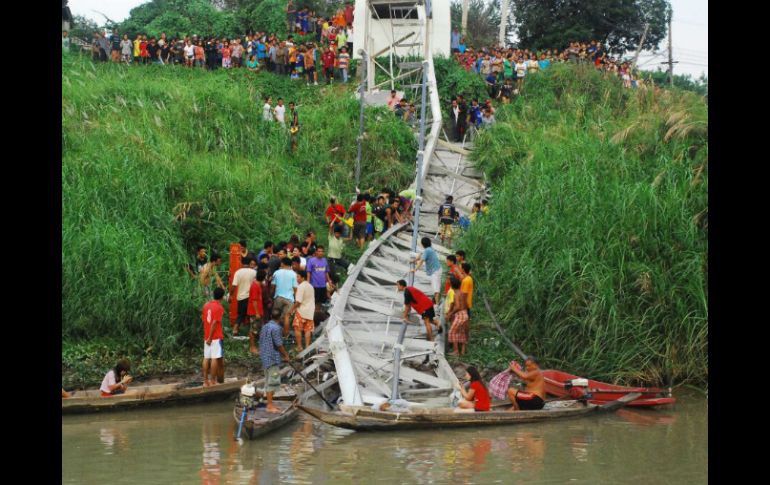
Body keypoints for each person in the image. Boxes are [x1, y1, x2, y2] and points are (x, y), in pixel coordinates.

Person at [259, 308, 291, 413]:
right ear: (280, 317)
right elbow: (279, 344)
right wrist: (286, 356)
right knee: (272, 382)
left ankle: (270, 403)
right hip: (272, 358)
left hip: (265, 357)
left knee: (269, 380)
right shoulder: (276, 328)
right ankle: (269, 405)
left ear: (271, 317)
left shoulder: (265, 327)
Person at [201, 287, 226, 386]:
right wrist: (211, 338)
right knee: (215, 357)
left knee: (206, 357)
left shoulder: (206, 305)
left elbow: (204, 320)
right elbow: (215, 323)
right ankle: (212, 381)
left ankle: (205, 381)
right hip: (214, 337)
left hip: (206, 336)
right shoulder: (219, 307)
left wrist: (207, 336)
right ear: (222, 297)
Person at [290, 270, 316, 352]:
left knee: (297, 328)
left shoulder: (301, 286)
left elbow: (298, 301)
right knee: (308, 330)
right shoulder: (310, 286)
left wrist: (291, 310)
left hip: (301, 311)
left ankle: (299, 347)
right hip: (310, 311)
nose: (297, 279)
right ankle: (307, 347)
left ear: (303, 277)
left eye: (298, 277)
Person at [231, 257, 257, 336]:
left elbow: (234, 286)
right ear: (250, 263)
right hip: (251, 297)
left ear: (242, 263)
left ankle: (235, 330)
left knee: (240, 315)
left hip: (241, 297)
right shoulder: (254, 272)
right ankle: (253, 332)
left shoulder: (238, 272)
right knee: (252, 315)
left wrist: (231, 295)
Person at [272, 257, 298, 337]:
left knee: (276, 317)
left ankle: (275, 334)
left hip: (278, 297)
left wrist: (272, 296)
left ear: (282, 263)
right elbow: (295, 288)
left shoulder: (276, 272)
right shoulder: (294, 274)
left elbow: (273, 286)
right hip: (289, 299)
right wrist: (296, 300)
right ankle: (285, 335)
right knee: (287, 318)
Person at [412, 237, 442, 304]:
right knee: (435, 287)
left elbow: (421, 261)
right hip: (437, 269)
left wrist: (415, 269)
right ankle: (436, 302)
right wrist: (414, 260)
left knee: (436, 289)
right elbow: (420, 256)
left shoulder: (427, 250)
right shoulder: (429, 249)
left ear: (423, 244)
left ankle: (437, 304)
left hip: (435, 271)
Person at [446, 277, 469, 356]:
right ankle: (462, 351)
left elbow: (458, 307)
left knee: (452, 332)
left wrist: (450, 313)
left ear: (452, 286)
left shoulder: (456, 294)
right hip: (465, 313)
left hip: (460, 315)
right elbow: (466, 304)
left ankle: (456, 351)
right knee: (461, 332)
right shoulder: (462, 292)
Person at [247, 269, 266, 354]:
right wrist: (257, 312)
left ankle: (255, 347)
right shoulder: (255, 286)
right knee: (253, 330)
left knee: (256, 329)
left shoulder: (257, 285)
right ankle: (252, 347)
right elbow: (254, 300)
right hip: (255, 312)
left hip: (257, 311)